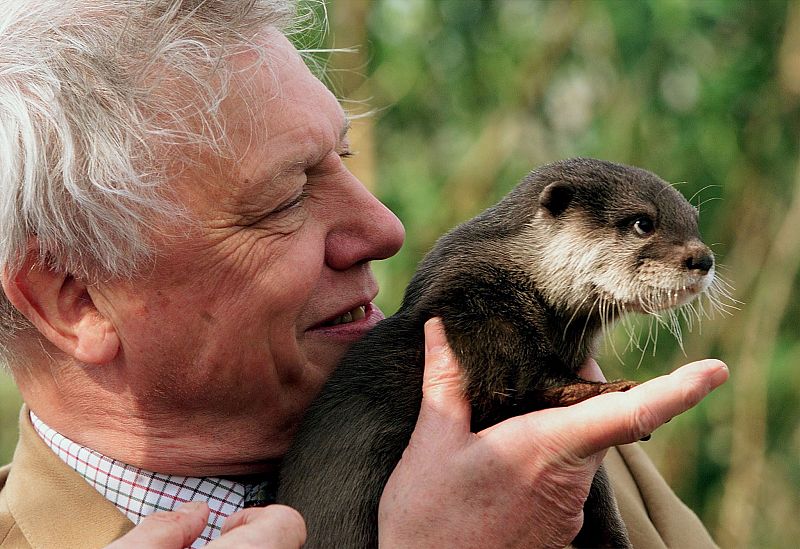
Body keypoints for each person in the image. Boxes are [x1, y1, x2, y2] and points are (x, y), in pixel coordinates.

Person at [0, 1, 727, 547]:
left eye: (340, 160)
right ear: (74, 299)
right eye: (285, 198)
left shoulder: (554, 452)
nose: (384, 230)